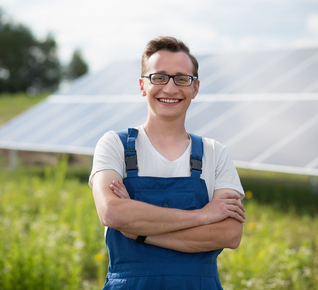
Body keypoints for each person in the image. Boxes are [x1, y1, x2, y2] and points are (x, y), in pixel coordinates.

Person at [89, 36, 246, 290]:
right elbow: (113, 213)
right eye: (159, 77)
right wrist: (203, 215)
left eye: (182, 78)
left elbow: (228, 234)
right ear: (142, 85)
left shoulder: (215, 153)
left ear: (195, 88)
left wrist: (139, 231)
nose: (171, 89)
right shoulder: (114, 145)